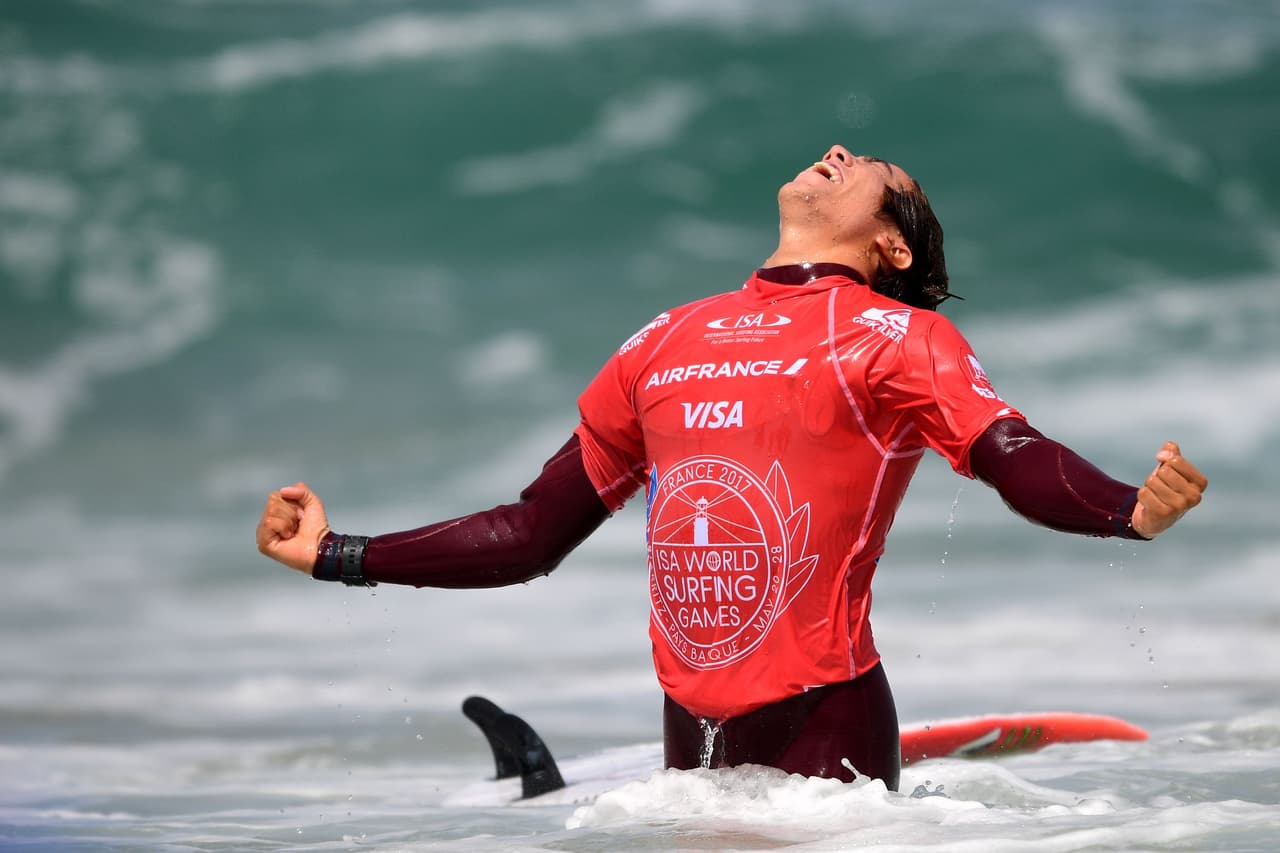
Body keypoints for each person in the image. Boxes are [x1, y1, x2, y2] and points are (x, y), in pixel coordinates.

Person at [256, 144, 1207, 792]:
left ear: (892, 243)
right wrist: (336, 553)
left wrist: (1131, 509)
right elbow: (532, 531)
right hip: (689, 734)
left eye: (869, 168)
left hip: (825, 730)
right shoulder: (663, 339)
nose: (837, 153)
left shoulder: (897, 337)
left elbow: (1012, 453)